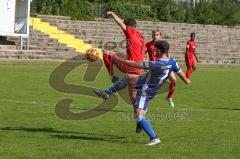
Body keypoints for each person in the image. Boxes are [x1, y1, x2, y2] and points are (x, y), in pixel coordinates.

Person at [95, 40, 191, 145]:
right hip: (149, 84)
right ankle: (107, 93)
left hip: (146, 90)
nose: (154, 50)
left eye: (155, 49)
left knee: (139, 117)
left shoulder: (156, 64)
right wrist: (187, 80)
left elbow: (134, 64)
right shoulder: (172, 61)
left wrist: (114, 56)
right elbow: (184, 78)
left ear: (159, 50)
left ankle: (154, 138)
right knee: (128, 78)